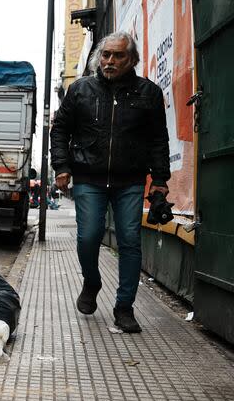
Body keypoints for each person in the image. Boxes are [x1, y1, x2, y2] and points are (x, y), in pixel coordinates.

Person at [50, 31, 170, 333]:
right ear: (98, 57)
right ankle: (92, 282)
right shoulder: (80, 90)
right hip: (89, 177)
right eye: (106, 55)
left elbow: (158, 139)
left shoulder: (149, 93)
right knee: (89, 236)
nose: (110, 61)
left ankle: (124, 308)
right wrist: (62, 166)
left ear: (132, 60)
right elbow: (60, 130)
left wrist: (160, 180)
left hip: (129, 180)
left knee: (129, 241)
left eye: (118, 56)